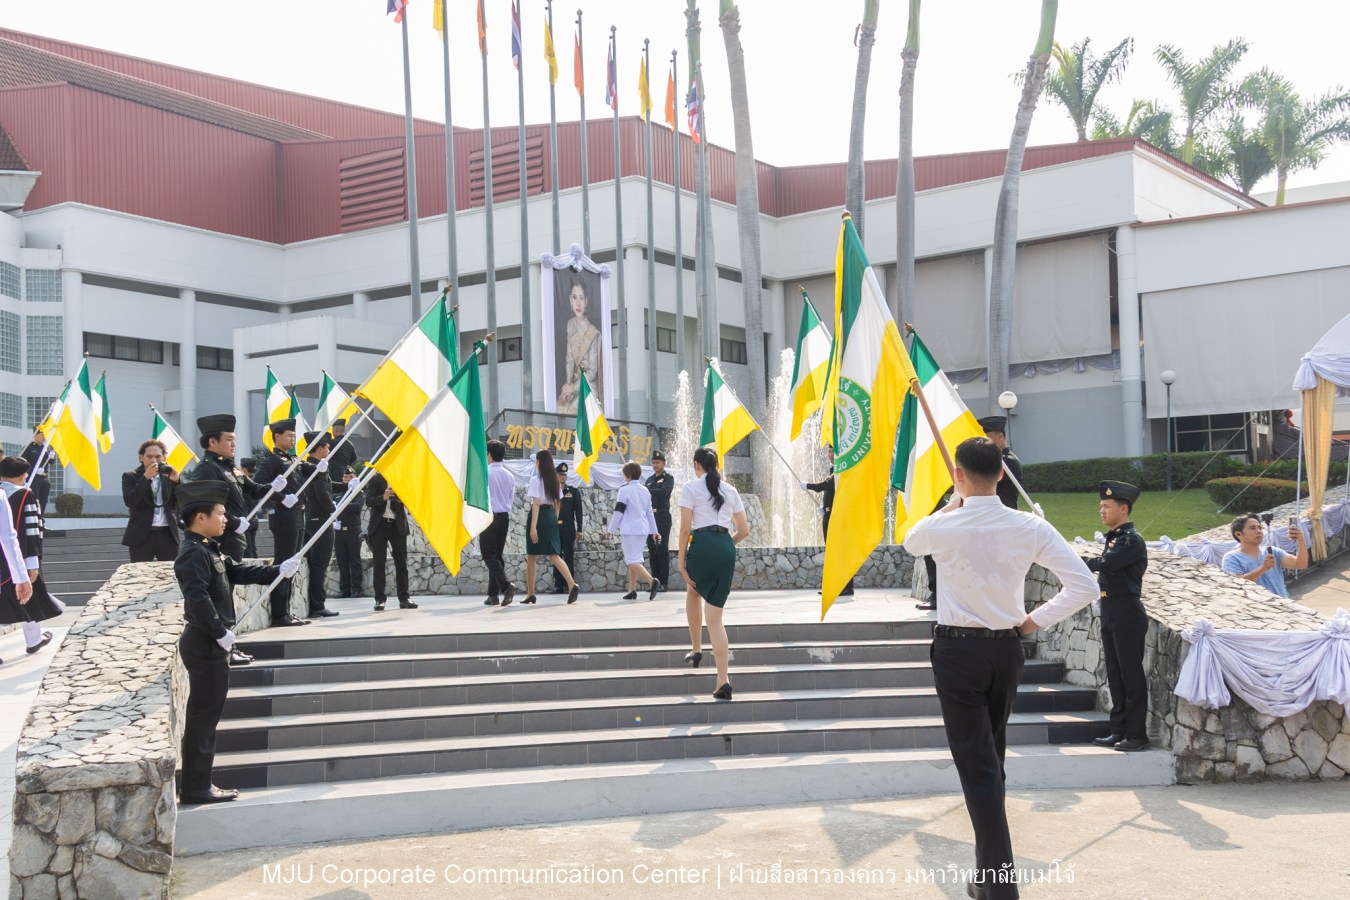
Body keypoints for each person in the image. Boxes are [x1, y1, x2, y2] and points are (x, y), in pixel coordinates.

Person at [903, 437, 1098, 899]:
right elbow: (1084, 585)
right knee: (990, 760)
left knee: (979, 766)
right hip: (1006, 650)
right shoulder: (1028, 526)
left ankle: (998, 885)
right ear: (1001, 475)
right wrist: (1033, 621)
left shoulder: (946, 526)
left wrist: (952, 505)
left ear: (959, 474)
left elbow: (911, 541)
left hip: (957, 653)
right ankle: (985, 874)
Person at [173, 479, 300, 804]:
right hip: (205, 643)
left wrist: (277, 571)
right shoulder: (191, 554)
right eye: (219, 513)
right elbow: (198, 598)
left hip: (211, 642)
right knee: (203, 718)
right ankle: (197, 787)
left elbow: (238, 571)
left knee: (207, 716)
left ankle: (198, 783)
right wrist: (219, 632)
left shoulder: (207, 549)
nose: (225, 518)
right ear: (200, 518)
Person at [677, 448, 751, 700]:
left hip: (702, 544)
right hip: (725, 548)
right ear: (717, 465)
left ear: (697, 465)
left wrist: (681, 562)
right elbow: (744, 530)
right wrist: (725, 544)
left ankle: (696, 648)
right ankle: (723, 680)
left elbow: (685, 529)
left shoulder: (690, 487)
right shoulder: (730, 490)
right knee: (716, 619)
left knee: (692, 588)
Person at [1086, 481, 1150, 753]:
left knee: (1130, 675)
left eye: (1107, 506)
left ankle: (1137, 735)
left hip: (1127, 611)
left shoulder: (1130, 539)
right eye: (1101, 506)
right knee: (1115, 673)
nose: (1102, 510)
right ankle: (1118, 729)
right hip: (1111, 609)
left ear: (1123, 509)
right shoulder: (1114, 537)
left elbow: (1108, 564)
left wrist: (1073, 559)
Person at [187, 414, 273, 565]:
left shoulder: (229, 466)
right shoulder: (207, 468)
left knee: (230, 584)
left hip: (235, 537)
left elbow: (253, 489)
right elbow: (208, 504)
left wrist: (274, 487)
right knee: (221, 583)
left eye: (234, 440)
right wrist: (234, 522)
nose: (234, 444)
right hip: (221, 537)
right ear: (212, 441)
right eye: (229, 440)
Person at [0, 455, 61, 656]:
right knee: (27, 596)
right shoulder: (24, 494)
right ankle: (34, 639)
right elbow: (32, 529)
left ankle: (35, 638)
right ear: (23, 475)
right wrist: (33, 561)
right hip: (16, 557)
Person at [254, 419, 309, 627]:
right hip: (285, 516)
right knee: (284, 563)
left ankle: (286, 610)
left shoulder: (292, 458)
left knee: (292, 565)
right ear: (277, 437)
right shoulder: (273, 460)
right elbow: (257, 487)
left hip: (297, 514)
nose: (292, 439)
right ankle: (279, 613)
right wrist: (280, 497)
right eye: (289, 436)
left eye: (293, 436)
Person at [522, 449, 580, 605]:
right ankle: (571, 584)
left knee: (532, 556)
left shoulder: (536, 480)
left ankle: (531, 593)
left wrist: (533, 527)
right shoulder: (555, 481)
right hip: (551, 517)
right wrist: (554, 518)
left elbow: (535, 504)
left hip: (539, 516)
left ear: (539, 462)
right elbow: (558, 503)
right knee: (554, 554)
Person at [1221, 512, 1309, 599]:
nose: (1258, 531)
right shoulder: (1232, 558)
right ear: (1238, 534)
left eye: (1260, 527)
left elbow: (1300, 564)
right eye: (1252, 528)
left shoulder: (1272, 551)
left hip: (1283, 605)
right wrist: (1262, 569)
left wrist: (1301, 541)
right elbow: (1236, 584)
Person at [121, 439, 181, 562]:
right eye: (149, 456)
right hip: (141, 535)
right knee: (140, 574)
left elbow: (182, 502)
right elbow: (130, 500)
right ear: (141, 457)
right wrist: (145, 478)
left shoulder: (169, 475)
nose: (154, 460)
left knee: (170, 574)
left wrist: (177, 482)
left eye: (158, 456)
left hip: (167, 534)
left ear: (164, 457)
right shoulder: (130, 476)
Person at [608, 461, 660, 601]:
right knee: (635, 559)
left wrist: (610, 530)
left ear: (628, 475)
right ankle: (632, 590)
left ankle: (651, 581)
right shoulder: (645, 490)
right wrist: (654, 531)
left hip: (630, 530)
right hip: (643, 529)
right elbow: (650, 513)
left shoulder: (624, 490)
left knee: (631, 561)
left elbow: (619, 511)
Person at [300, 433, 338, 619]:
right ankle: (318, 605)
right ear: (320, 448)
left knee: (316, 563)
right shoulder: (317, 468)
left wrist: (347, 486)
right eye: (327, 447)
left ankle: (316, 603)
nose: (329, 450)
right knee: (319, 564)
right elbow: (322, 493)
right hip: (321, 518)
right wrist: (334, 510)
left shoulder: (313, 466)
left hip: (313, 518)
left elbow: (327, 487)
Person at [365, 471, 414, 610]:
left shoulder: (402, 478)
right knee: (379, 562)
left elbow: (411, 499)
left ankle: (404, 598)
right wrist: (383, 497)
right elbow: (369, 500)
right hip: (379, 525)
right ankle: (379, 599)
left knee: (401, 562)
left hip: (397, 525)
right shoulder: (376, 479)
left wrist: (400, 497)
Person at [802, 465, 854, 596]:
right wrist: (825, 507)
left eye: (833, 451)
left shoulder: (841, 471)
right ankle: (835, 586)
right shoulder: (832, 471)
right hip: (829, 516)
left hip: (837, 518)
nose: (831, 454)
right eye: (829, 452)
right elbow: (830, 492)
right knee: (832, 552)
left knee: (839, 553)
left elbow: (823, 487)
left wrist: (807, 485)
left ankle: (847, 587)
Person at [555, 279, 602, 415]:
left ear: (586, 301)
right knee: (559, 407)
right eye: (574, 297)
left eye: (581, 298)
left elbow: (592, 372)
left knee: (573, 409)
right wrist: (568, 387)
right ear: (570, 299)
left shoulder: (593, 332)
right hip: (573, 384)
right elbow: (569, 360)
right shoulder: (570, 325)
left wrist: (573, 388)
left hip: (587, 385)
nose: (578, 303)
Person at [482, 440, 519, 607]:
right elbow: (511, 499)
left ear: (489, 454)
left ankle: (506, 586)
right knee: (496, 556)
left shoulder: (485, 473)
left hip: (490, 517)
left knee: (489, 555)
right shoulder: (509, 475)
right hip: (504, 516)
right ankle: (493, 595)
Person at [978, 416, 1023, 510]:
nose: (983, 444)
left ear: (1000, 437)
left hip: (1006, 517)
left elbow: (981, 477)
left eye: (987, 440)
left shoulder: (1008, 461)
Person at [645, 451, 675, 590]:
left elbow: (664, 492)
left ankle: (663, 582)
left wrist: (647, 491)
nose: (655, 465)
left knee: (661, 549)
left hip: (662, 516)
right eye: (653, 462)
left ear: (664, 463)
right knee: (652, 550)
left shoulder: (668, 478)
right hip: (650, 517)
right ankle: (654, 582)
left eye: (658, 462)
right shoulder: (649, 480)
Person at [333, 469, 365, 598]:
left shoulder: (358, 493)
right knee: (342, 561)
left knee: (355, 560)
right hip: (339, 530)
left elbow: (357, 507)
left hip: (353, 530)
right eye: (345, 477)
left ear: (355, 478)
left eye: (350, 477)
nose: (347, 479)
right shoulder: (337, 493)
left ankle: (357, 589)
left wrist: (340, 505)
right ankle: (344, 590)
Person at [552, 462, 584, 594]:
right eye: (560, 475)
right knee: (556, 555)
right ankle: (558, 585)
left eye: (565, 475)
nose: (563, 477)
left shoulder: (573, 492)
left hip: (568, 527)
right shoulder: (552, 491)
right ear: (556, 475)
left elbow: (579, 511)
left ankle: (569, 584)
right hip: (554, 527)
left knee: (569, 556)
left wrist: (580, 529)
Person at [20, 428, 51, 513]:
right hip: (33, 477)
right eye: (41, 435)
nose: (43, 438)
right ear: (35, 436)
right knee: (35, 499)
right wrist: (33, 470)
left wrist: (52, 456)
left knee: (43, 501)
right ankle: (36, 518)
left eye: (44, 436)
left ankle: (42, 520)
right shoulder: (29, 448)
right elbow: (22, 463)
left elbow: (51, 462)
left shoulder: (45, 448)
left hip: (44, 478)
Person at [238, 457, 260, 558]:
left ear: (245, 470)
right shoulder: (255, 483)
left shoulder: (244, 485)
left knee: (247, 549)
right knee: (253, 548)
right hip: (254, 519)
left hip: (246, 519)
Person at [326, 419, 357, 490]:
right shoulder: (350, 444)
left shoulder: (330, 443)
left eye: (332, 430)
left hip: (332, 474)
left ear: (335, 430)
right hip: (345, 474)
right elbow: (354, 458)